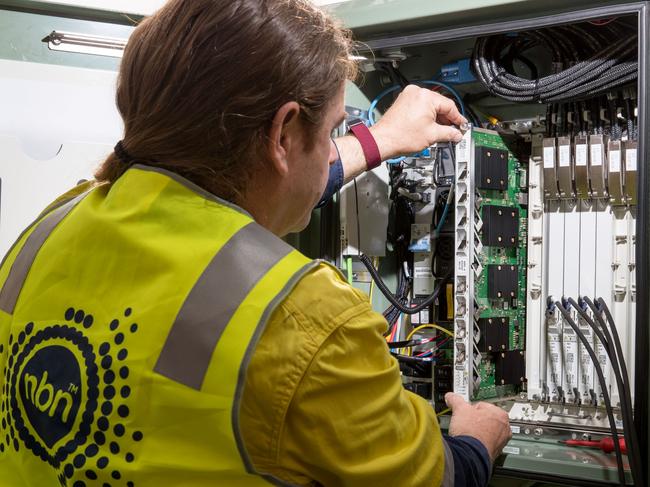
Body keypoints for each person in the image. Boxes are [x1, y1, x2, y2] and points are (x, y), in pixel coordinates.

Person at [0, 1, 511, 486]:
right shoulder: (307, 319)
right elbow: (434, 480)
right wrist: (475, 438)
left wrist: (377, 140)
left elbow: (238, 189)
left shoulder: (50, 227)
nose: (332, 148)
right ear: (283, 133)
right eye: (333, 130)